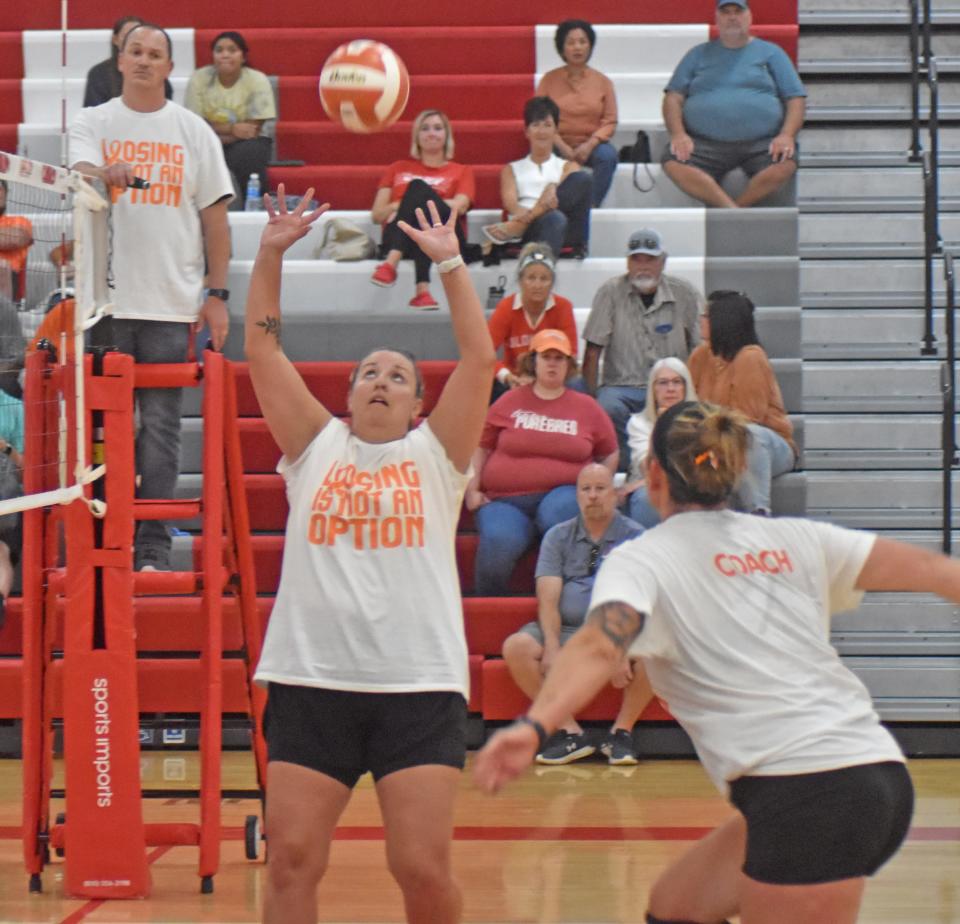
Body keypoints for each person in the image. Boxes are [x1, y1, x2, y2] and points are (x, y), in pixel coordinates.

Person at [476, 399, 935, 924]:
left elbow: (601, 644)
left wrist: (536, 726)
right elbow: (928, 567)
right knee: (678, 909)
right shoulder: (791, 536)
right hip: (874, 774)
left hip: (807, 788)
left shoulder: (644, 556)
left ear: (651, 474)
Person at [247, 190, 495, 924]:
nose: (381, 381)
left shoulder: (436, 456)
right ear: (349, 395)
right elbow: (262, 346)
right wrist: (270, 252)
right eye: (368, 373)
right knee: (291, 860)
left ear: (419, 404)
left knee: (419, 866)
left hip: (415, 686)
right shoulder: (315, 446)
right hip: (309, 679)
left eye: (397, 376)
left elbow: (480, 357)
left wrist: (449, 260)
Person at [69, 22, 233, 572]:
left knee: (160, 428)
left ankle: (153, 549)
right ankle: (105, 539)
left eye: (154, 54)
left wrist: (217, 293)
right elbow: (80, 170)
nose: (143, 60)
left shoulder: (193, 131)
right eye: (134, 51)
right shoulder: (93, 121)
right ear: (119, 59)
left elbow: (215, 219)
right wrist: (101, 171)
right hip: (103, 307)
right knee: (102, 428)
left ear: (169, 67)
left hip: (170, 306)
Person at [503, 463, 651, 765]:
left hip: (620, 630)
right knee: (516, 647)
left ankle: (621, 733)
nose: (593, 496)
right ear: (577, 495)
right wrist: (553, 646)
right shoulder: (558, 536)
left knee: (660, 649)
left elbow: (640, 600)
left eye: (600, 488)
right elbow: (548, 598)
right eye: (586, 489)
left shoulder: (637, 537)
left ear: (616, 494)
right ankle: (570, 733)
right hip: (570, 628)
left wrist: (619, 648)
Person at [467, 328, 617, 596]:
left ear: (569, 365)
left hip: (563, 493)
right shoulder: (508, 401)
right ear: (532, 361)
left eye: (559, 358)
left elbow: (610, 452)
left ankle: (570, 600)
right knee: (499, 540)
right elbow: (482, 446)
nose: (552, 363)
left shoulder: (587, 407)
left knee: (558, 515)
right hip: (505, 499)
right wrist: (473, 488)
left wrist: (598, 487)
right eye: (545, 356)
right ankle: (490, 605)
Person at [662, 0, 807, 208]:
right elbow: (673, 97)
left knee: (785, 164)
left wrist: (786, 135)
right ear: (717, 18)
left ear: (749, 17)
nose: (732, 17)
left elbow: (795, 98)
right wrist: (678, 134)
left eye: (738, 12)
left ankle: (737, 210)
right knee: (673, 162)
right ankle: (730, 210)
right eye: (726, 12)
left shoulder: (771, 53)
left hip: (762, 143)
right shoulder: (697, 54)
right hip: (704, 143)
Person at [582, 227, 703, 467]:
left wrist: (695, 389)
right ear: (627, 263)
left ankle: (674, 467)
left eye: (650, 259)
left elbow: (699, 349)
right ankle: (630, 469)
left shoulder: (685, 292)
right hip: (623, 386)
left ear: (663, 261)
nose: (643, 266)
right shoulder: (609, 292)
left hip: (671, 384)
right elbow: (592, 351)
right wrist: (591, 397)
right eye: (636, 259)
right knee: (607, 406)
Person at [688, 289, 795, 514]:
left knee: (747, 435)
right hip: (716, 445)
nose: (701, 321)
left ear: (722, 321)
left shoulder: (750, 357)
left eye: (707, 316)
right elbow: (689, 406)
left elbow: (747, 417)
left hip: (767, 446)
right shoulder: (699, 356)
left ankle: (757, 513)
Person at [370, 109, 476, 310]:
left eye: (438, 128)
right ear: (416, 136)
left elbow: (460, 206)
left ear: (446, 135)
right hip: (404, 236)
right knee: (418, 219)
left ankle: (390, 265)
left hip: (446, 236)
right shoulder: (397, 168)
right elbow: (377, 214)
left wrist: (416, 200)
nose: (431, 133)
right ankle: (422, 292)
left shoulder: (462, 171)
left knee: (418, 190)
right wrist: (401, 206)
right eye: (425, 129)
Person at [483, 96, 592, 260]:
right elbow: (511, 203)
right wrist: (527, 217)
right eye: (536, 125)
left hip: (565, 230)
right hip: (530, 232)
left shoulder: (568, 167)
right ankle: (525, 227)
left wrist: (527, 218)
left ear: (556, 131)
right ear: (526, 131)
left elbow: (559, 199)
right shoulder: (511, 169)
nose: (542, 131)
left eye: (548, 125)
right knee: (554, 218)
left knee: (583, 179)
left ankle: (519, 227)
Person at [184, 30, 277, 208]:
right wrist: (233, 130)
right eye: (219, 50)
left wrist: (218, 135)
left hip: (247, 142)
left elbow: (253, 129)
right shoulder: (199, 78)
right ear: (213, 56)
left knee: (248, 154)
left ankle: (254, 209)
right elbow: (195, 123)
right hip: (207, 139)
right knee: (197, 150)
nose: (225, 54)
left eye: (232, 50)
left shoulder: (257, 80)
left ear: (243, 56)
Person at [536, 19, 619, 207]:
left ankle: (588, 205)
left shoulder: (603, 81)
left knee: (608, 156)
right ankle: (546, 205)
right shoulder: (549, 80)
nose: (577, 48)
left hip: (590, 143)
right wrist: (562, 146)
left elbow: (610, 121)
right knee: (538, 151)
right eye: (571, 42)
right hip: (556, 142)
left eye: (582, 42)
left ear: (590, 46)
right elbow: (540, 116)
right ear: (561, 48)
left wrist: (590, 145)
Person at [486, 242, 577, 396]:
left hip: (552, 377)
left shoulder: (563, 307)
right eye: (531, 278)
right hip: (513, 379)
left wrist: (541, 380)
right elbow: (485, 353)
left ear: (552, 282)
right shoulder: (506, 308)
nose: (537, 285)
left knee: (578, 385)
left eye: (544, 279)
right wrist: (507, 377)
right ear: (520, 280)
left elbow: (571, 354)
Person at [621, 357, 697, 527]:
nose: (670, 389)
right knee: (646, 498)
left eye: (677, 382)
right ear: (653, 389)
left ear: (686, 387)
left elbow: (702, 463)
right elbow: (648, 468)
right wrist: (662, 426)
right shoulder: (638, 424)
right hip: (652, 486)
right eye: (663, 383)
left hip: (693, 482)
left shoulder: (702, 420)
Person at [83, 15, 173, 108]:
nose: (143, 62)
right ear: (115, 40)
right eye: (127, 35)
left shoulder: (158, 76)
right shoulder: (98, 74)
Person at [0, 180, 33, 303]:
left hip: (8, 279)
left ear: (6, 194)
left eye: (0, 187)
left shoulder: (20, 221)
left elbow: (15, 239)